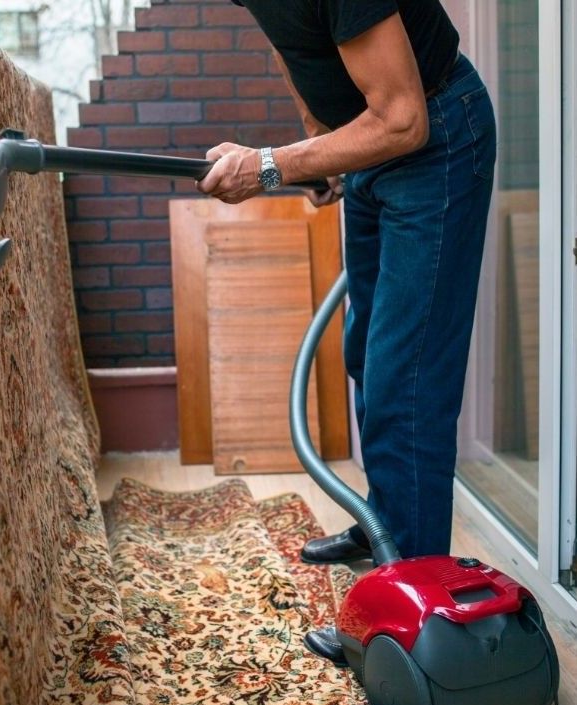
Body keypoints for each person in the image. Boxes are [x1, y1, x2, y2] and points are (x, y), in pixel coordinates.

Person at [197, 0, 496, 666]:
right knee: (366, 350)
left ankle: (414, 619)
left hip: (433, 138)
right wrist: (315, 147)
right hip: (368, 147)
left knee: (406, 384)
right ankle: (386, 528)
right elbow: (292, 45)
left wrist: (273, 164)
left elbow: (403, 118)